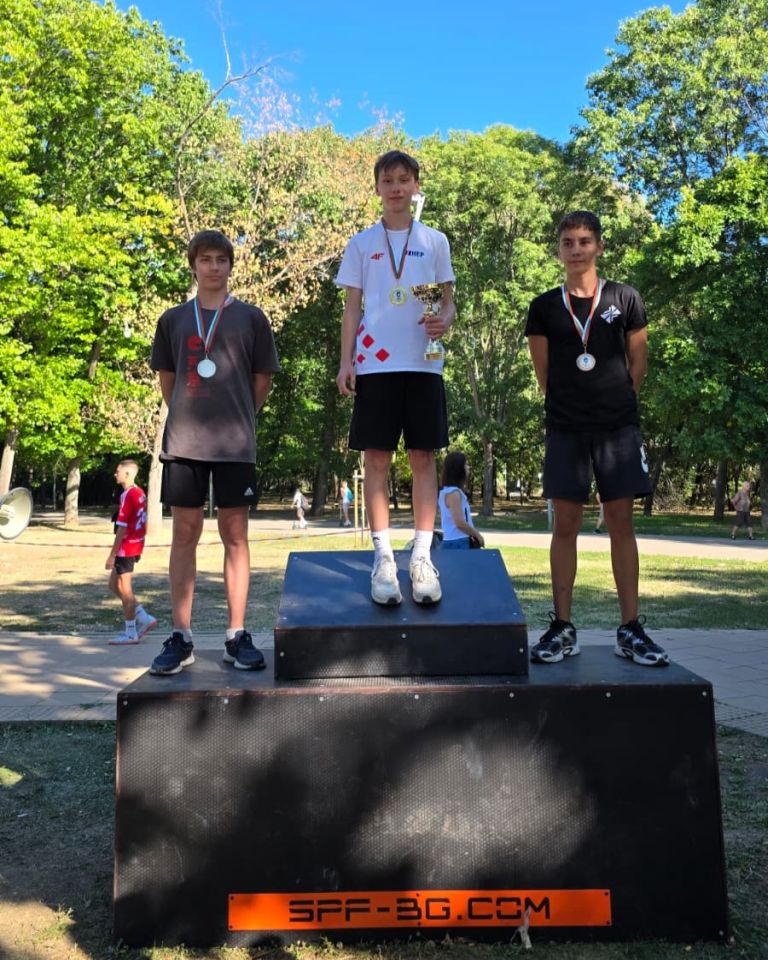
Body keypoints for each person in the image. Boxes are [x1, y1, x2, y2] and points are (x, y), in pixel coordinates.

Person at [525, 210, 669, 667]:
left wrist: (612, 405)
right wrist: (574, 408)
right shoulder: (544, 306)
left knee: (621, 525)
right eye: (568, 242)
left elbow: (637, 366)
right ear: (559, 249)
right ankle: (563, 627)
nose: (576, 249)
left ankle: (630, 628)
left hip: (618, 429)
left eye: (585, 241)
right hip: (566, 429)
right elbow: (544, 375)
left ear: (600, 246)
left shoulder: (625, 298)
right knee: (564, 526)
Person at [149, 229, 280, 675]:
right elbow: (168, 381)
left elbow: (261, 380)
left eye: (221, 260)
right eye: (205, 259)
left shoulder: (251, 318)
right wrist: (190, 415)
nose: (213, 267)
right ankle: (181, 637)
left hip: (235, 444)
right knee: (184, 535)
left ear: (230, 266)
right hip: (184, 443)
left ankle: (235, 635)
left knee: (235, 536)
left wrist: (237, 415)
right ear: (193, 265)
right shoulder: (173, 320)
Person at [335, 150, 456, 606]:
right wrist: (347, 361)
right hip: (374, 363)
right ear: (378, 188)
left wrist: (443, 321)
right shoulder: (361, 243)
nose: (397, 188)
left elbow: (448, 304)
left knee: (424, 459)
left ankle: (422, 558)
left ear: (416, 186)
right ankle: (383, 558)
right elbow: (351, 308)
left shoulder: (436, 241)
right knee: (377, 462)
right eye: (388, 180)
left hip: (424, 363)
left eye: (405, 179)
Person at [106, 460, 157, 645]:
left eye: (118, 471)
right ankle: (144, 617)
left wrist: (112, 555)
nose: (115, 474)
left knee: (125, 590)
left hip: (127, 547)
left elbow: (122, 527)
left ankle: (130, 632)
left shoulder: (129, 495)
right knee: (113, 585)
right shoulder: (139, 492)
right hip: (134, 545)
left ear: (127, 474)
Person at [437, 451, 485, 549]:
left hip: (451, 540)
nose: (468, 467)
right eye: (466, 464)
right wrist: (477, 534)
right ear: (458, 469)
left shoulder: (445, 492)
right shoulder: (454, 493)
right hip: (458, 541)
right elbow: (459, 522)